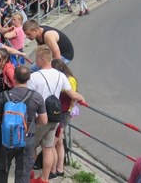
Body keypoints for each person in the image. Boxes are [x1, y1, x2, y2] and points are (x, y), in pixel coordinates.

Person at [28, 45, 85, 183]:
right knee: (48, 148)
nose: (35, 62)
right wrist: (81, 97)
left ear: (42, 59)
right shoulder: (61, 75)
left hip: (39, 117)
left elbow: (28, 97)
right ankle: (44, 179)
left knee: (31, 147)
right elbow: (72, 93)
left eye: (37, 59)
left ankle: (29, 174)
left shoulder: (34, 76)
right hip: (55, 117)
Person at [0, 65, 47, 183]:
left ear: (14, 77)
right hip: (27, 139)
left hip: (7, 138)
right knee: (23, 173)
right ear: (29, 78)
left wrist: (6, 122)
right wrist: (31, 122)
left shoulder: (4, 96)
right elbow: (43, 121)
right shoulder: (36, 97)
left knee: (1, 170)